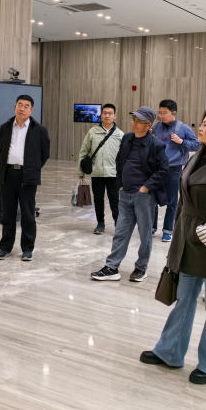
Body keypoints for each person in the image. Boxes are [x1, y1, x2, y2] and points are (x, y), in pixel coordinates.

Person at [140, 108, 206, 385]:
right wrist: (182, 234)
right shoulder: (198, 156)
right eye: (202, 122)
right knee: (184, 299)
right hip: (187, 239)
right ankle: (170, 352)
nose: (200, 127)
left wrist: (199, 236)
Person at [91, 107, 169, 282]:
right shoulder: (127, 138)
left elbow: (164, 170)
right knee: (121, 232)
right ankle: (112, 267)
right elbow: (119, 161)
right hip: (125, 194)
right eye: (134, 120)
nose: (134, 124)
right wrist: (120, 184)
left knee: (145, 234)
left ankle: (141, 268)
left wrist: (146, 187)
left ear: (148, 125)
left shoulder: (156, 145)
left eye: (139, 121)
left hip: (144, 197)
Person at [0, 95, 51, 262]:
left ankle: (27, 249)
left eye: (26, 106)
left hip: (27, 176)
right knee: (8, 214)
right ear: (15, 107)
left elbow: (45, 154)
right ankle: (5, 247)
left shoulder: (39, 130)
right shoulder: (5, 127)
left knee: (27, 214)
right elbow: (1, 148)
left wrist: (33, 168)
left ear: (31, 110)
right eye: (20, 105)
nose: (22, 108)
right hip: (8, 174)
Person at [150, 99, 201, 242]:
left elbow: (197, 145)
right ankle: (151, 228)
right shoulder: (156, 127)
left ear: (174, 112)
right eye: (160, 113)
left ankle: (167, 230)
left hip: (174, 169)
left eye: (165, 113)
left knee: (172, 202)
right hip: (156, 168)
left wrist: (181, 142)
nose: (161, 116)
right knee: (152, 199)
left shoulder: (183, 128)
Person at [77, 103, 124, 234]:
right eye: (105, 113)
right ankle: (100, 223)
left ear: (115, 116)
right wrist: (80, 171)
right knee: (98, 199)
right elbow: (83, 151)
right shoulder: (93, 132)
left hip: (113, 174)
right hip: (96, 172)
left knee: (115, 200)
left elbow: (124, 156)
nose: (107, 116)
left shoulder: (120, 134)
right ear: (101, 115)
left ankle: (118, 224)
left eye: (110, 113)